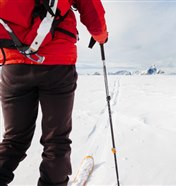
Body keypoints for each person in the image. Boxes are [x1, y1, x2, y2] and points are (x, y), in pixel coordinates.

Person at [0, 0, 108, 185]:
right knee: (56, 141)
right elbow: (92, 11)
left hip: (14, 63)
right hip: (58, 64)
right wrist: (101, 37)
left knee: (13, 140)